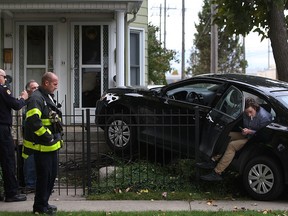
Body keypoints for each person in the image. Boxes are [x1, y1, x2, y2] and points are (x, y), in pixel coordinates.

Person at [199, 97, 273, 181]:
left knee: (232, 145)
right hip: (246, 134)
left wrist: (250, 131)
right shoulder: (245, 112)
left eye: (250, 112)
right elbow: (235, 116)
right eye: (247, 112)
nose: (248, 114)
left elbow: (264, 134)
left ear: (255, 107)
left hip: (255, 139)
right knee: (226, 135)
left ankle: (217, 172)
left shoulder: (264, 117)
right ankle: (213, 160)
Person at [23, 72, 63, 215]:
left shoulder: (46, 96)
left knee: (50, 177)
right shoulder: (36, 98)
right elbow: (34, 121)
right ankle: (39, 207)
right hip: (42, 146)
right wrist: (48, 137)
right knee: (44, 177)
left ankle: (44, 203)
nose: (56, 87)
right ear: (46, 83)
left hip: (51, 146)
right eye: (55, 84)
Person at [0, 68, 28, 202]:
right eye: (4, 77)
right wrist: (23, 98)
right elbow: (16, 105)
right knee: (8, 161)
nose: (6, 80)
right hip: (3, 130)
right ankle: (11, 193)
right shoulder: (3, 90)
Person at [22, 80, 39, 194]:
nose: (36, 89)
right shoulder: (24, 103)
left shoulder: (40, 100)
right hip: (28, 139)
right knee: (29, 162)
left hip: (40, 138)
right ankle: (30, 184)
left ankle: (40, 184)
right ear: (28, 90)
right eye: (33, 88)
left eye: (37, 87)